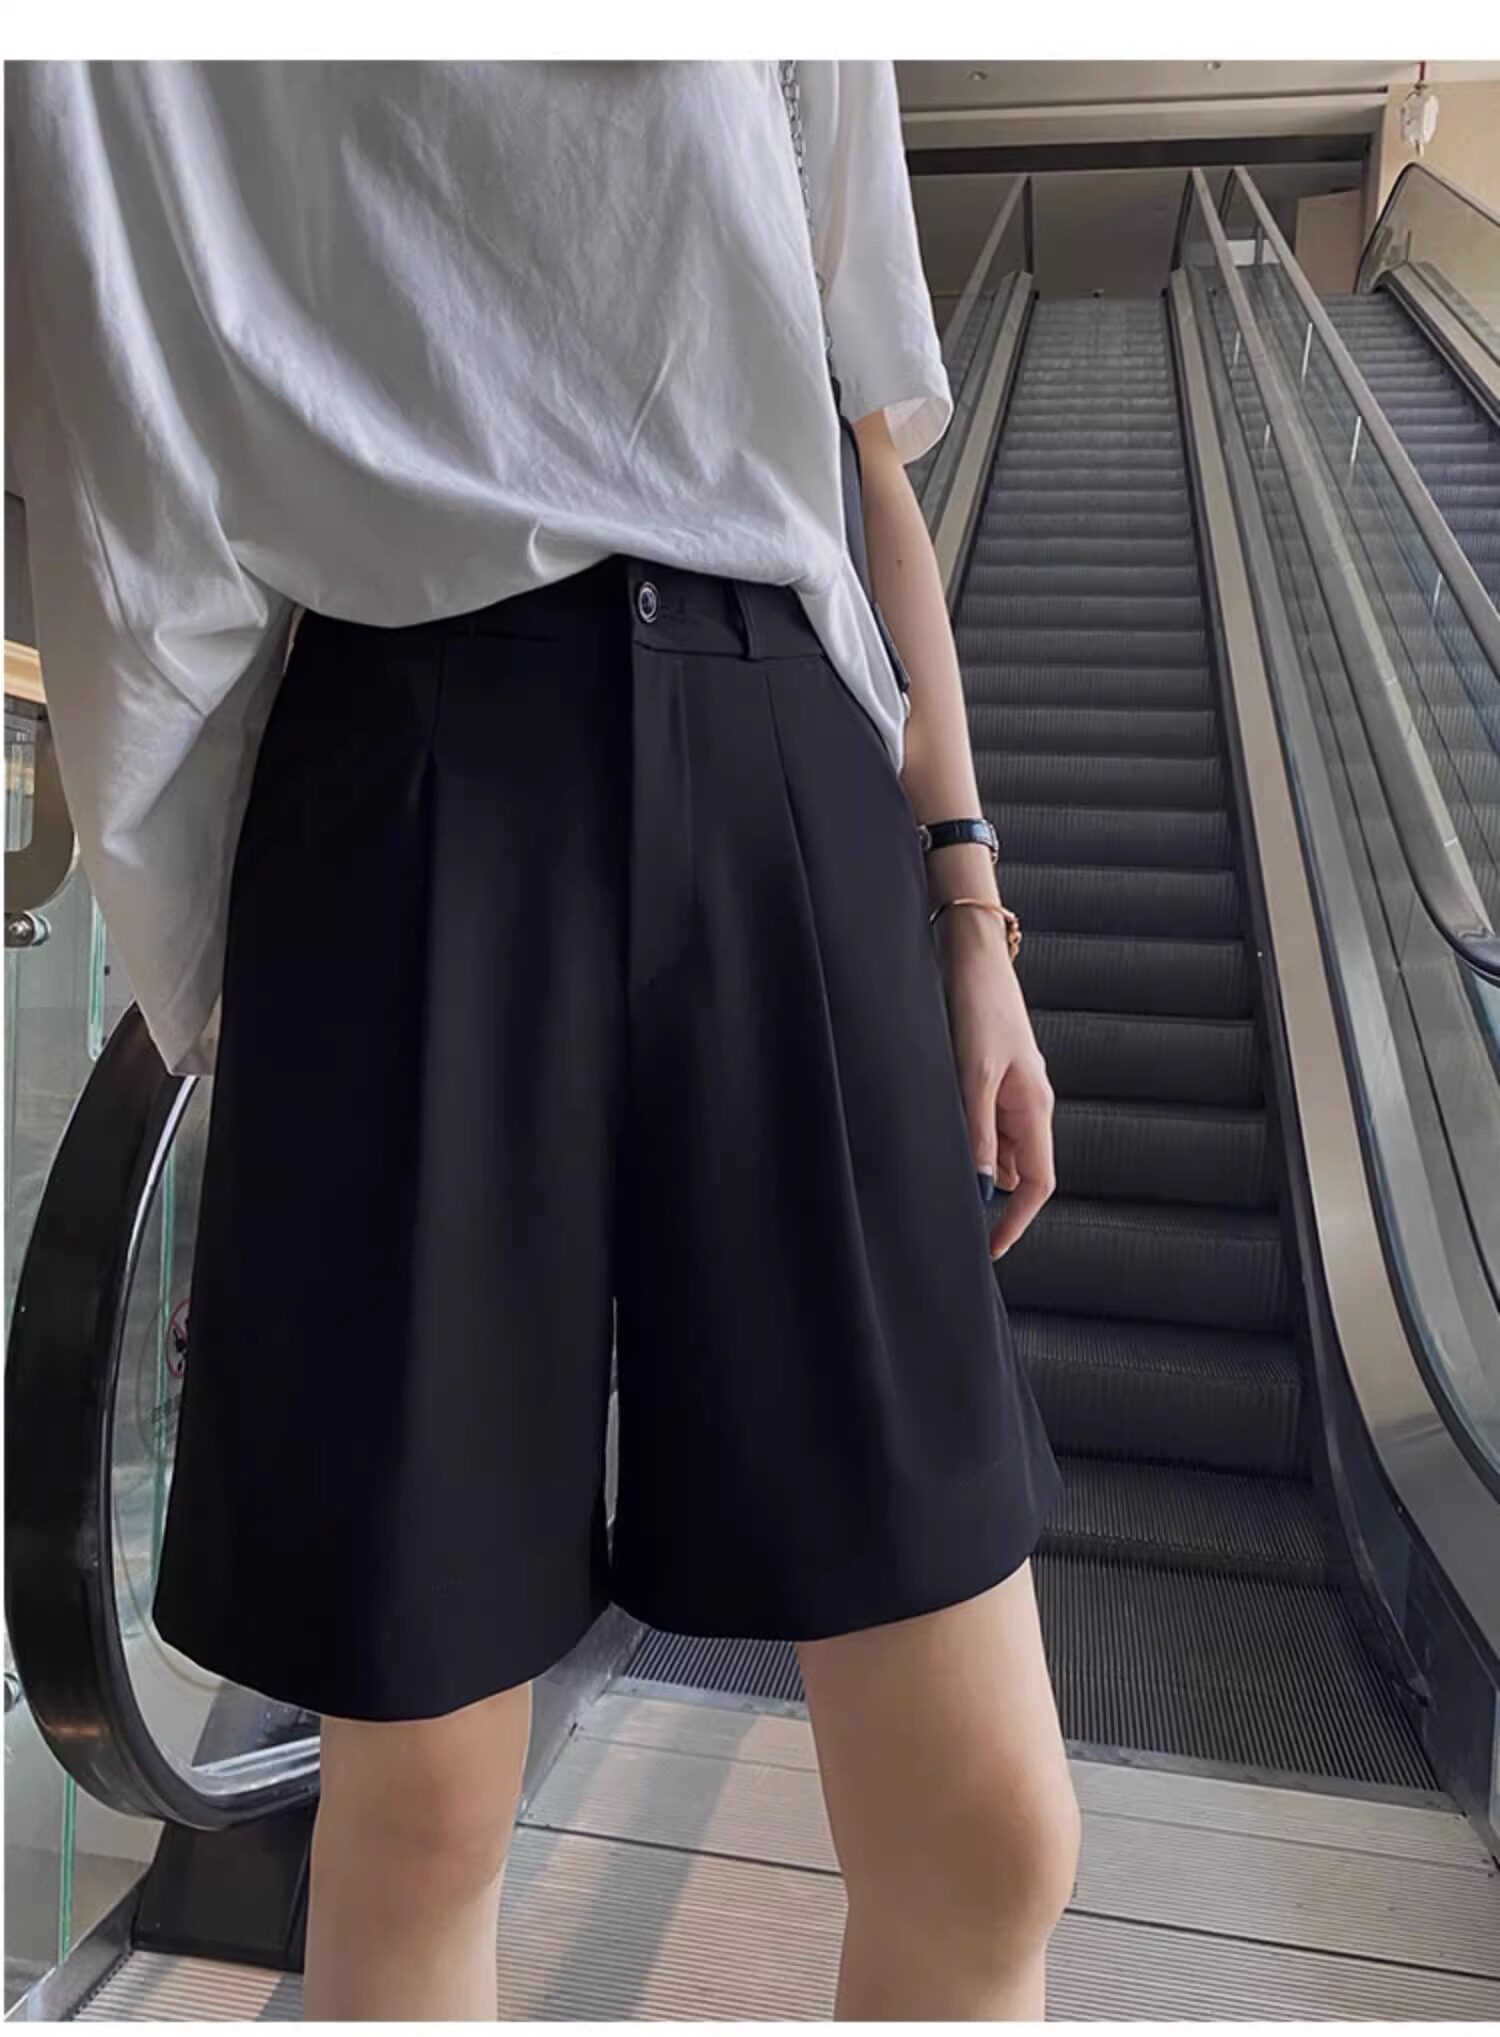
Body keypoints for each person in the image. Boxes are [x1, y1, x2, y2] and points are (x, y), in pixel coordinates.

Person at [6, 59, 1078, 2021]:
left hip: (783, 754)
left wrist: (965, 893)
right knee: (414, 1817)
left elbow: (861, 446)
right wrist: (238, 1008)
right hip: (402, 770)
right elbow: (120, 447)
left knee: (990, 1823)